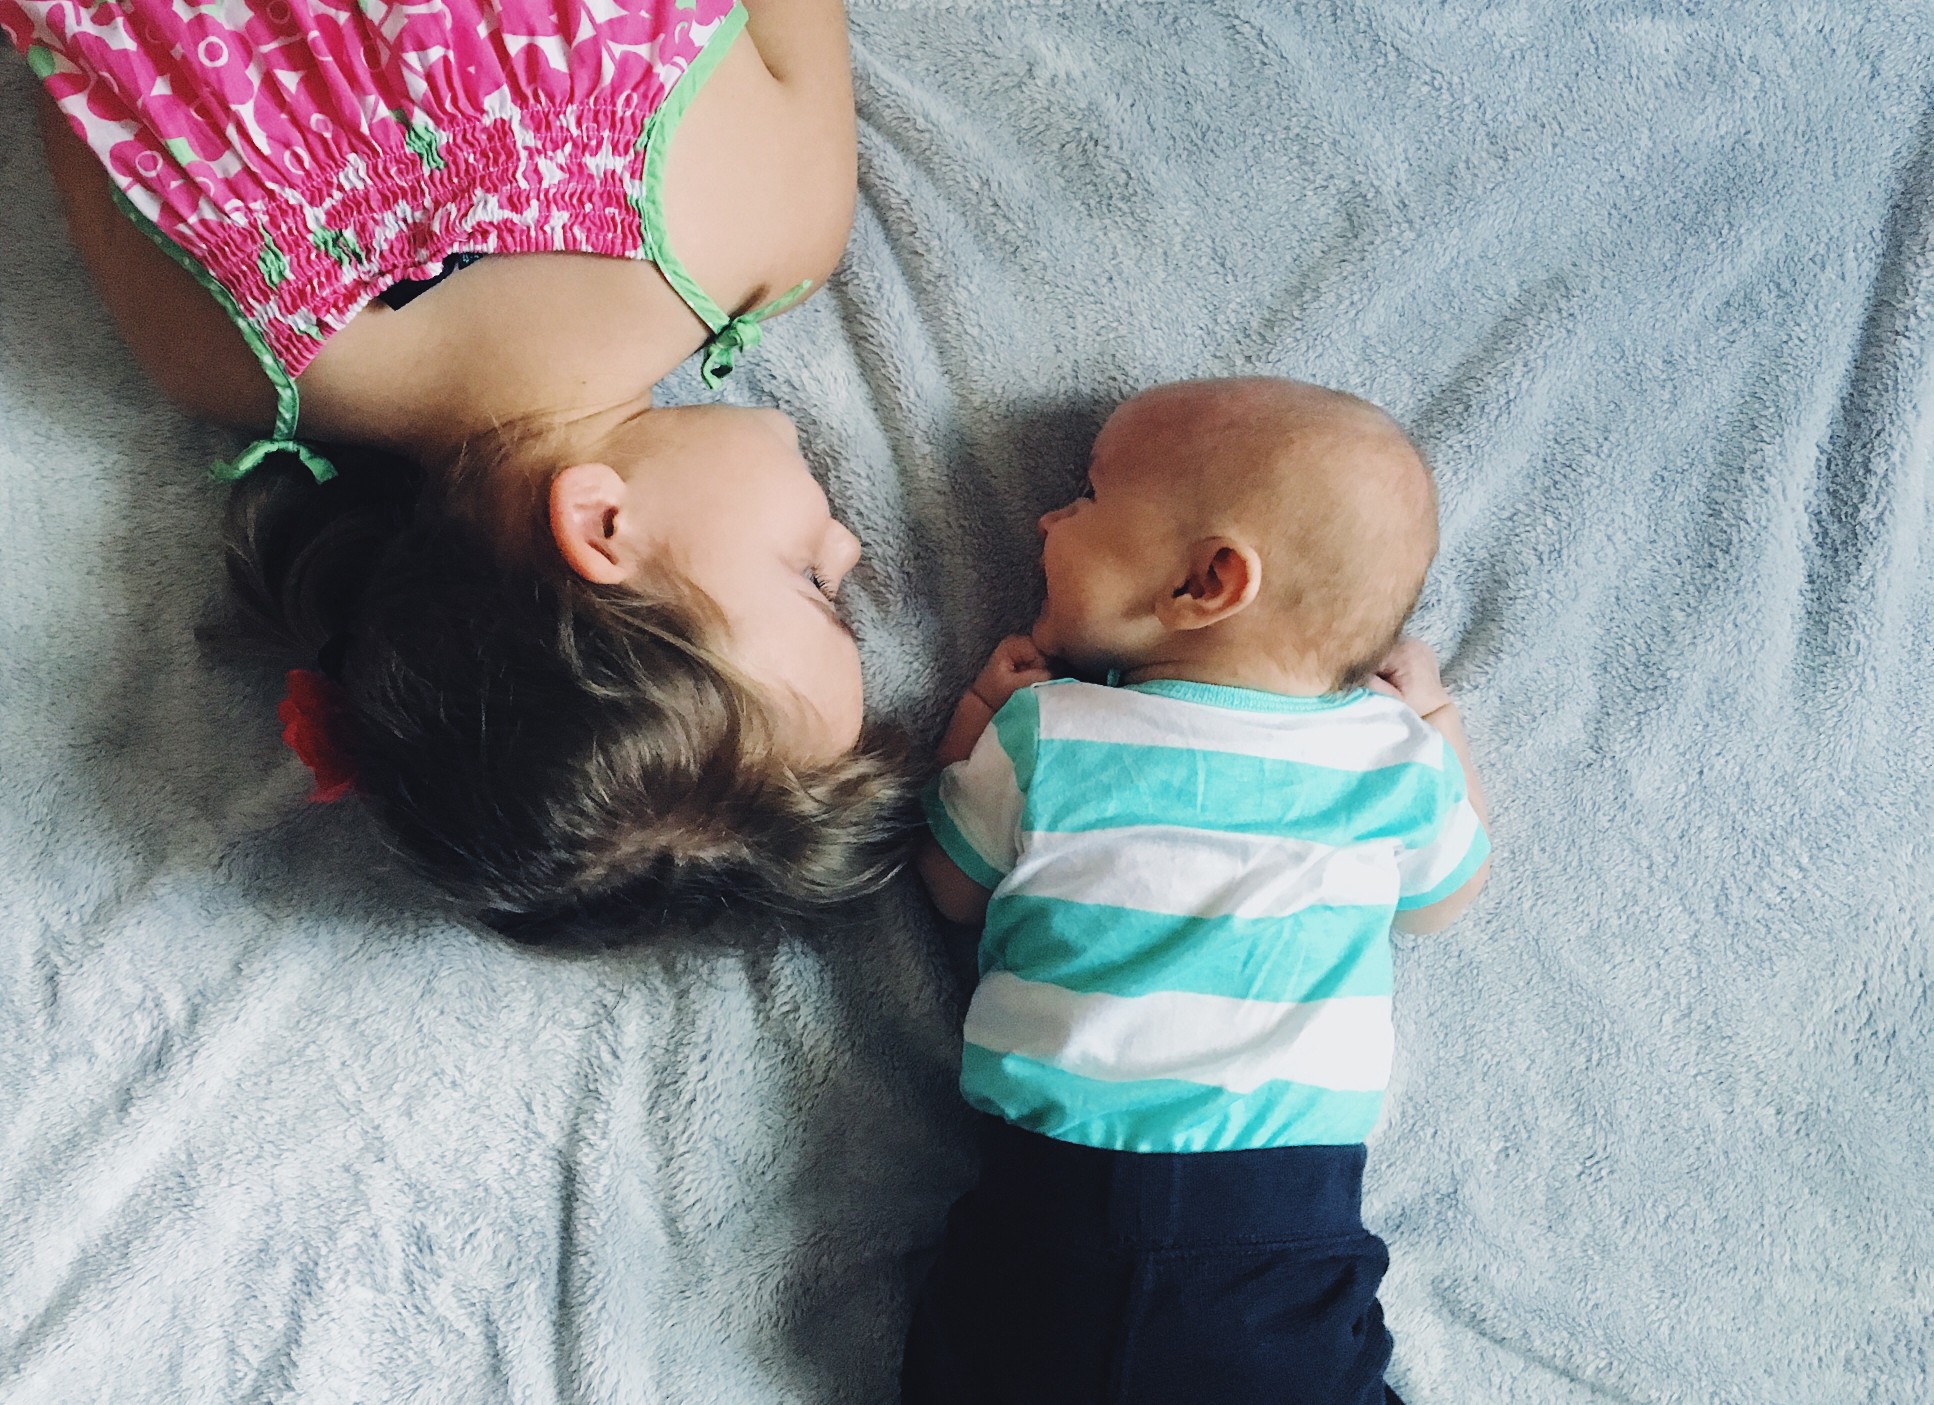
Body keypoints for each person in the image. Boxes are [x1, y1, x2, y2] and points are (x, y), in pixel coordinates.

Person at [3, 0, 909, 934]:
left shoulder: (776, 219)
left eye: (814, 584)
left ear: (603, 524)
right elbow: (57, 48)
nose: (846, 540)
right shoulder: (204, 354)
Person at [901, 377, 1493, 1403]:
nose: (1045, 517)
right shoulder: (1388, 761)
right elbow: (1441, 897)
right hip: (1281, 1237)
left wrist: (973, 712)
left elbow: (950, 889)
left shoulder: (1048, 733)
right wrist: (1434, 719)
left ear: (1206, 581)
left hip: (1045, 1219)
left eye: (1084, 496)